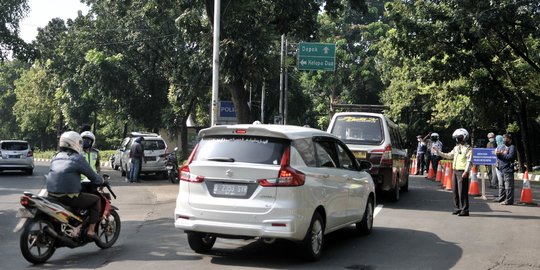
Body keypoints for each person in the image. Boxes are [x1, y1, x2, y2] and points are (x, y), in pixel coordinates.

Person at [45, 131, 105, 240]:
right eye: (81, 142)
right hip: (69, 196)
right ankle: (91, 231)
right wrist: (101, 181)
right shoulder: (77, 158)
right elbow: (94, 176)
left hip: (51, 194)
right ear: (75, 143)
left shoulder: (56, 156)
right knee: (96, 200)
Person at [434, 128, 472, 216]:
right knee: (455, 191)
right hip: (455, 171)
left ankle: (465, 210)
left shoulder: (468, 148)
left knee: (462, 192)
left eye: (459, 137)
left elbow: (469, 161)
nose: (458, 139)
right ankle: (457, 208)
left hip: (462, 171)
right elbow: (449, 155)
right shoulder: (456, 148)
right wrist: (438, 152)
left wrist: (466, 171)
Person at [494, 134, 517, 205]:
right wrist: (498, 155)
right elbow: (502, 156)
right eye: (503, 138)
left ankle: (509, 200)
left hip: (508, 169)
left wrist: (500, 155)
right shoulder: (504, 147)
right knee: (503, 185)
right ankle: (502, 198)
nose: (504, 140)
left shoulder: (512, 147)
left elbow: (510, 157)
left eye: (505, 139)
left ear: (510, 140)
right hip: (502, 169)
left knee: (508, 186)